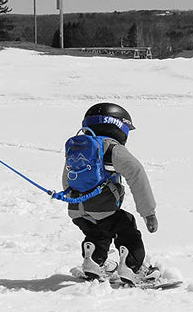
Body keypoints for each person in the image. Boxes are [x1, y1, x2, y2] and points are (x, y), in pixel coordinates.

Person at [59, 103, 159, 285]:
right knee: (126, 226)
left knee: (97, 233)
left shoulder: (80, 147)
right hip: (103, 208)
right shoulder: (111, 148)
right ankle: (133, 267)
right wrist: (148, 212)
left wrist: (75, 199)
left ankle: (93, 261)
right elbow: (136, 174)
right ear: (119, 126)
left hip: (76, 209)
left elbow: (67, 179)